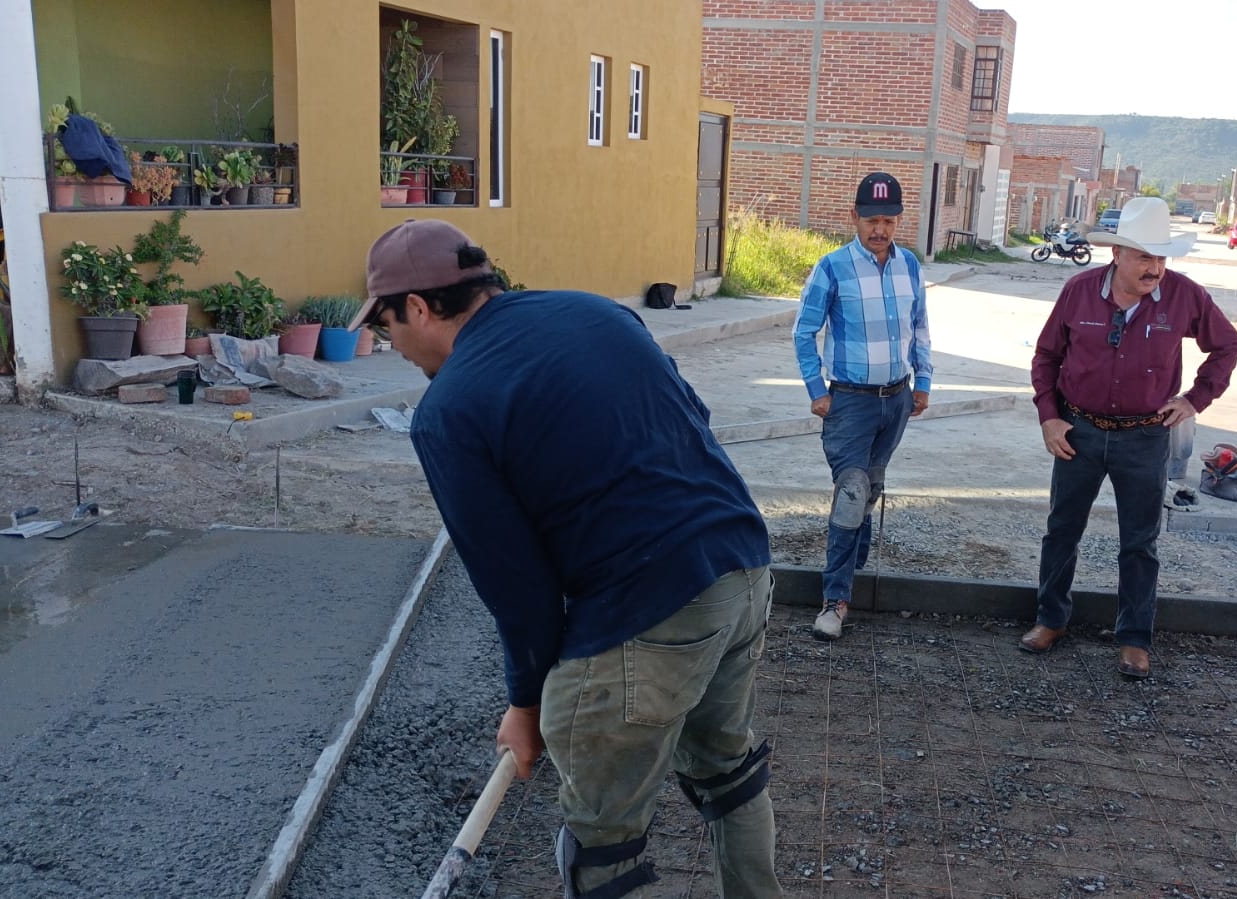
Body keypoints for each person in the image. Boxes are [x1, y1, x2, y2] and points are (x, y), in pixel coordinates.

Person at [359, 219, 782, 898]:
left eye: (386, 327)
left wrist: (527, 704)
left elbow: (518, 589)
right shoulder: (595, 312)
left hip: (642, 609)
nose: (392, 347)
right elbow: (689, 420)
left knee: (603, 847)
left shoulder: (449, 409)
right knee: (728, 773)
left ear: (416, 306)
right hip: (740, 563)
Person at [1022, 197, 1237, 678]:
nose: (1155, 268)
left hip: (1144, 437)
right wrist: (1049, 417)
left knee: (1140, 542)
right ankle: (1051, 620)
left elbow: (1227, 346)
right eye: (1144, 256)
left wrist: (1194, 400)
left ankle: (1135, 639)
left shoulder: (1185, 296)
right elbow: (1046, 358)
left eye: (1161, 257)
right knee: (1062, 532)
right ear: (1116, 255)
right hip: (1077, 432)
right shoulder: (1079, 291)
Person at [793, 171, 932, 641]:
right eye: (871, 220)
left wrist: (923, 379)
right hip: (849, 404)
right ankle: (834, 600)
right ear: (854, 217)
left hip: (896, 400)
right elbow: (802, 331)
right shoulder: (832, 268)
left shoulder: (909, 265)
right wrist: (817, 389)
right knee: (851, 492)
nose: (880, 229)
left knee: (868, 492)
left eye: (889, 220)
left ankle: (849, 578)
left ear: (898, 220)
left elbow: (920, 326)